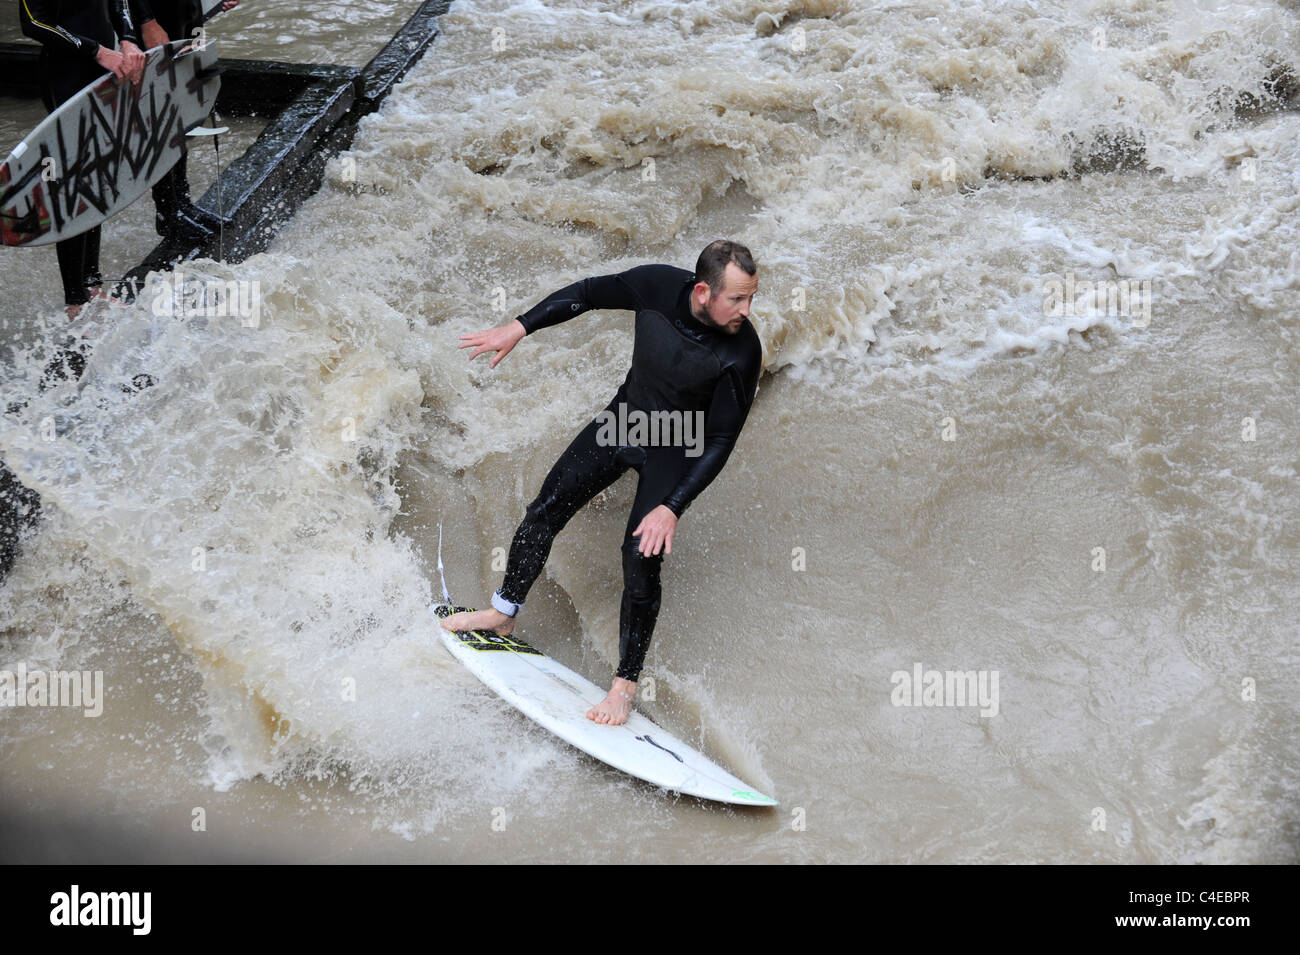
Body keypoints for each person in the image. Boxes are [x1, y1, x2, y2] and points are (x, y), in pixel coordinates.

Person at [441, 240, 762, 726]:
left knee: (639, 558)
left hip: (676, 447)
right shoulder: (655, 285)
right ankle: (503, 612)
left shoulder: (742, 352)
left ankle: (623, 688)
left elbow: (720, 440)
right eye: (737, 299)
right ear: (702, 291)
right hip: (625, 422)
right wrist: (520, 326)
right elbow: (589, 293)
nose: (747, 310)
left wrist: (671, 506)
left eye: (751, 297)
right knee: (545, 508)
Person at [19, 0, 147, 317]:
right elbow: (34, 22)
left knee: (99, 176)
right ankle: (75, 300)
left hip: (105, 70)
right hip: (67, 75)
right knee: (73, 184)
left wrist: (128, 39)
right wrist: (97, 51)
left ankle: (91, 283)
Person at [130, 0, 238, 243]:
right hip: (157, 14)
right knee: (160, 108)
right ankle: (167, 211)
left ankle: (183, 202)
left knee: (182, 105)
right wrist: (146, 21)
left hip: (187, 11)